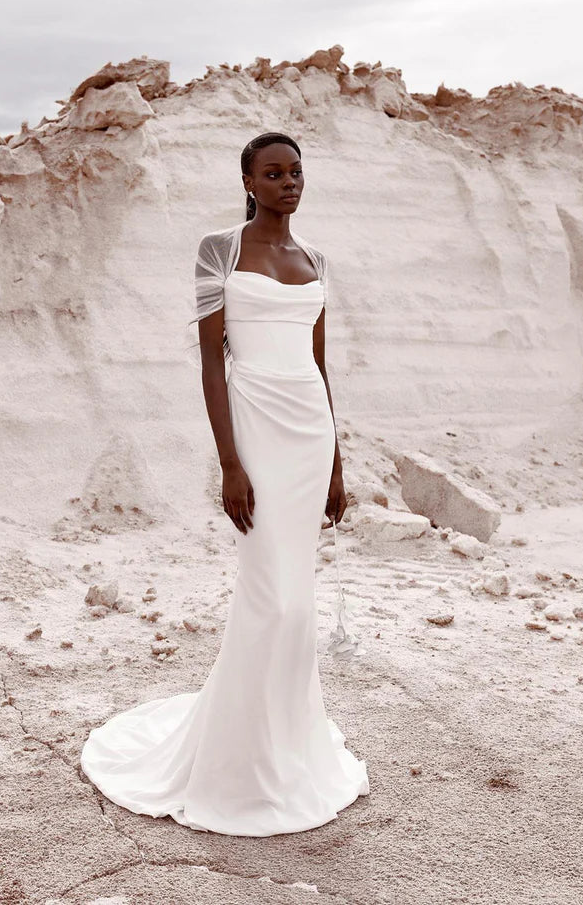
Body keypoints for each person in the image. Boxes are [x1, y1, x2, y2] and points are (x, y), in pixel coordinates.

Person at [80, 132, 370, 837]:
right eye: (273, 173)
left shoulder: (316, 260)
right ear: (247, 179)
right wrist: (230, 462)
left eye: (296, 171)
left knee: (296, 598)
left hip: (307, 431)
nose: (287, 182)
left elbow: (320, 366)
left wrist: (336, 463)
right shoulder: (221, 249)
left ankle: (290, 744)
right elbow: (212, 363)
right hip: (256, 427)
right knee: (274, 601)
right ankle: (238, 761)